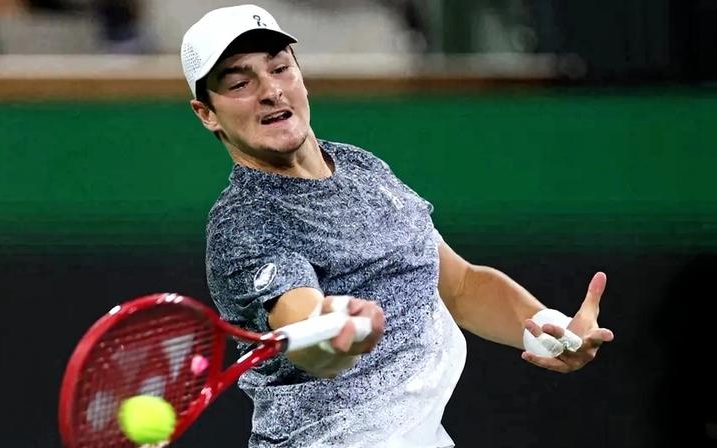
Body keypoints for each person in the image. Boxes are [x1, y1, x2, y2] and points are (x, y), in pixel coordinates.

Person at [181, 5, 614, 447]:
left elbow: (460, 285)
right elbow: (305, 329)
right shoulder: (245, 222)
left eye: (279, 68)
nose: (271, 90)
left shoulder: (360, 167)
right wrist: (334, 328)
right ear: (207, 113)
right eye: (239, 83)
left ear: (300, 75)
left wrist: (548, 328)